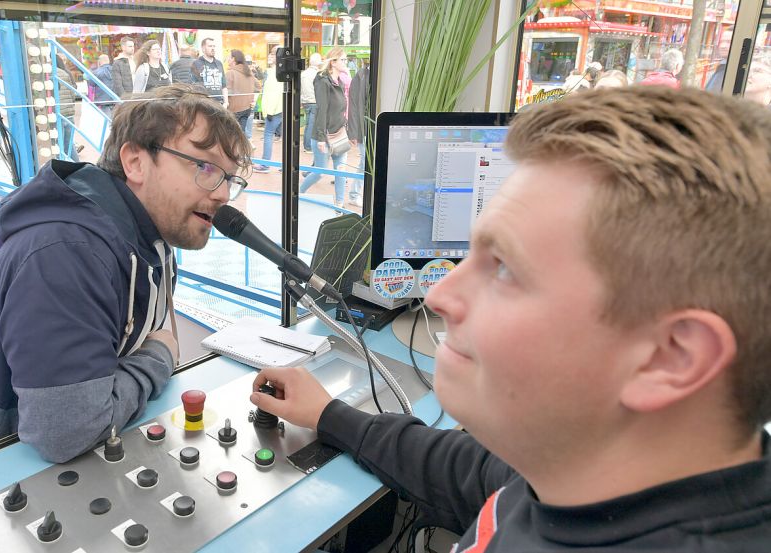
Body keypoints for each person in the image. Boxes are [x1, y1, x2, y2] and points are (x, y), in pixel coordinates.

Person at [250, 86, 771, 550]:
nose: (442, 295)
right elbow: (471, 470)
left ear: (670, 357)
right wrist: (329, 416)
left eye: (503, 269)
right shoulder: (579, 470)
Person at [0, 84, 253, 472]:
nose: (224, 193)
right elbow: (66, 431)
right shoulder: (65, 252)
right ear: (135, 163)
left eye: (230, 177)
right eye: (205, 167)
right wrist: (159, 356)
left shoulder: (150, 243)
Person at [299, 47, 349, 207]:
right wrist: (321, 138)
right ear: (333, 62)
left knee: (340, 171)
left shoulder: (339, 81)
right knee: (320, 171)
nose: (346, 63)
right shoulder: (322, 81)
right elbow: (322, 110)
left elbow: (340, 109)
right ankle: (299, 193)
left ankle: (340, 204)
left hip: (339, 133)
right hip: (324, 136)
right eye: (343, 59)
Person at [252, 46, 284, 174]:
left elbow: (275, 93)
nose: (270, 56)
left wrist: (270, 111)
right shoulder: (275, 71)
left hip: (274, 110)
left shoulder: (275, 73)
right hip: (279, 109)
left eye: (272, 54)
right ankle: (286, 164)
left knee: (268, 135)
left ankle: (265, 164)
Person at [346, 61, 368, 208]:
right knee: (365, 162)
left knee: (366, 162)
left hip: (370, 128)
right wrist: (353, 132)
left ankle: (355, 194)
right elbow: (353, 105)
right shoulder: (360, 76)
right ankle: (354, 194)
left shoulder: (364, 76)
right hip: (363, 129)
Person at [225, 49, 260, 139]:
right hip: (246, 108)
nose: (227, 59)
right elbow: (257, 87)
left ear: (233, 59)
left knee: (231, 137)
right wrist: (252, 100)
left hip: (233, 109)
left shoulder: (230, 73)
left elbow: (227, 92)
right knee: (241, 134)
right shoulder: (249, 73)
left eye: (228, 57)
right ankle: (243, 151)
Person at [54, 55, 80, 161]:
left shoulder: (49, 74)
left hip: (58, 114)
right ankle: (77, 168)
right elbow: (72, 93)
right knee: (69, 146)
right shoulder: (65, 73)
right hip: (69, 114)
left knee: (59, 147)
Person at [191, 37, 228, 108]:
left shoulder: (219, 63)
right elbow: (193, 86)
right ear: (203, 49)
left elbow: (224, 86)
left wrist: (226, 102)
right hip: (204, 104)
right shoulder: (196, 63)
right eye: (210, 46)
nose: (213, 48)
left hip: (219, 104)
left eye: (214, 46)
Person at [301, 52, 321, 153]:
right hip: (314, 101)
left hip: (305, 102)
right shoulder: (318, 74)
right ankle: (308, 146)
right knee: (312, 125)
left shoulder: (303, 74)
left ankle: (306, 144)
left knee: (308, 124)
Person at [110, 36, 136, 101]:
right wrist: (125, 99)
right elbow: (118, 85)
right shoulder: (117, 63)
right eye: (130, 46)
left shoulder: (136, 60)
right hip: (127, 98)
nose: (132, 48)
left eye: (133, 46)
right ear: (123, 48)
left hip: (138, 96)